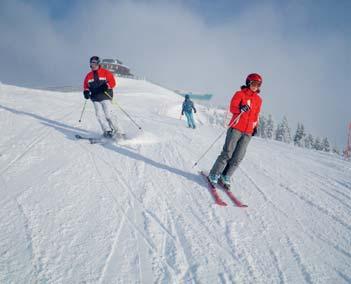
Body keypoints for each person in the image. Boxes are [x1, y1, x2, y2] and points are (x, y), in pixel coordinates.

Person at [208, 73, 263, 189]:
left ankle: (225, 176)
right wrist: (240, 108)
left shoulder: (258, 100)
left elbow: (256, 115)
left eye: (258, 84)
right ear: (248, 83)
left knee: (238, 156)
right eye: (253, 83)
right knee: (227, 153)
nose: (255, 86)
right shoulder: (240, 94)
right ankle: (214, 174)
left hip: (248, 131)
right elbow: (232, 107)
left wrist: (255, 126)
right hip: (236, 128)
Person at [83, 56, 118, 138]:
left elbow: (113, 83)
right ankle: (107, 131)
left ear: (98, 63)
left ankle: (118, 131)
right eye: (91, 62)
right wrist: (86, 92)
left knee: (108, 114)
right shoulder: (88, 75)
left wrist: (106, 86)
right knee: (98, 114)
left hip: (105, 96)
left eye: (94, 62)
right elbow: (86, 86)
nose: (92, 64)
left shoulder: (106, 72)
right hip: (95, 98)